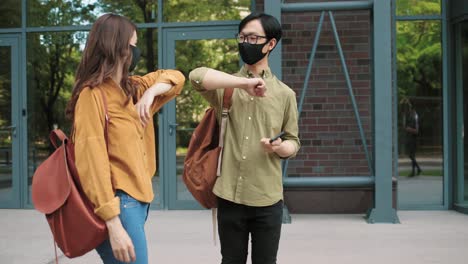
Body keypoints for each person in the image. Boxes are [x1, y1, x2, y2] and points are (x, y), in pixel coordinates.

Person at [65, 14, 185, 263]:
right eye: (134, 44)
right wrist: (113, 224)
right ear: (118, 47)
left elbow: (176, 77)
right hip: (119, 205)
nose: (136, 50)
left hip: (139, 202)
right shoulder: (92, 95)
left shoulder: (134, 88)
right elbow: (92, 162)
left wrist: (151, 93)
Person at [189, 12, 300, 264]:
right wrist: (242, 84)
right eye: (241, 37)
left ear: (270, 44)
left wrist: (280, 147)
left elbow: (294, 141)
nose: (245, 43)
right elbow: (195, 76)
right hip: (230, 196)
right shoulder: (227, 88)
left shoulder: (285, 95)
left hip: (267, 198)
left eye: (252, 37)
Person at [404, 102, 422, 177]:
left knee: (411, 156)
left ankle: (417, 169)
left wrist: (409, 129)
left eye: (410, 108)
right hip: (411, 139)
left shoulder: (415, 117)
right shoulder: (411, 116)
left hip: (414, 140)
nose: (409, 109)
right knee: (412, 156)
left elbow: (417, 131)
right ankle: (414, 171)